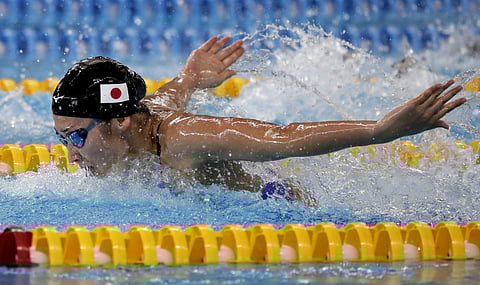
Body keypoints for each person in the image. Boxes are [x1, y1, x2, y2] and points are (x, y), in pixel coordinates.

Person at [4, 37, 467, 197]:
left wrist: (379, 130)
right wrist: (190, 75)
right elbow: (169, 93)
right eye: (63, 139)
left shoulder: (183, 137)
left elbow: (283, 137)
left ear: (118, 122)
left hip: (279, 208)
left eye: (75, 138)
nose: (70, 153)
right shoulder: (139, 119)